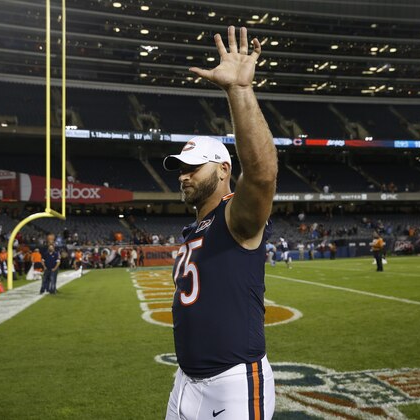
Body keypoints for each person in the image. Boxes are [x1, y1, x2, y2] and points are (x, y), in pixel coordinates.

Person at [162, 26, 277, 420]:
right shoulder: (196, 227)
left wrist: (239, 92)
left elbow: (261, 177)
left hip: (232, 381)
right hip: (185, 381)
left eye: (194, 167)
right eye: (180, 168)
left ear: (225, 169)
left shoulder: (235, 216)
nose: (184, 175)